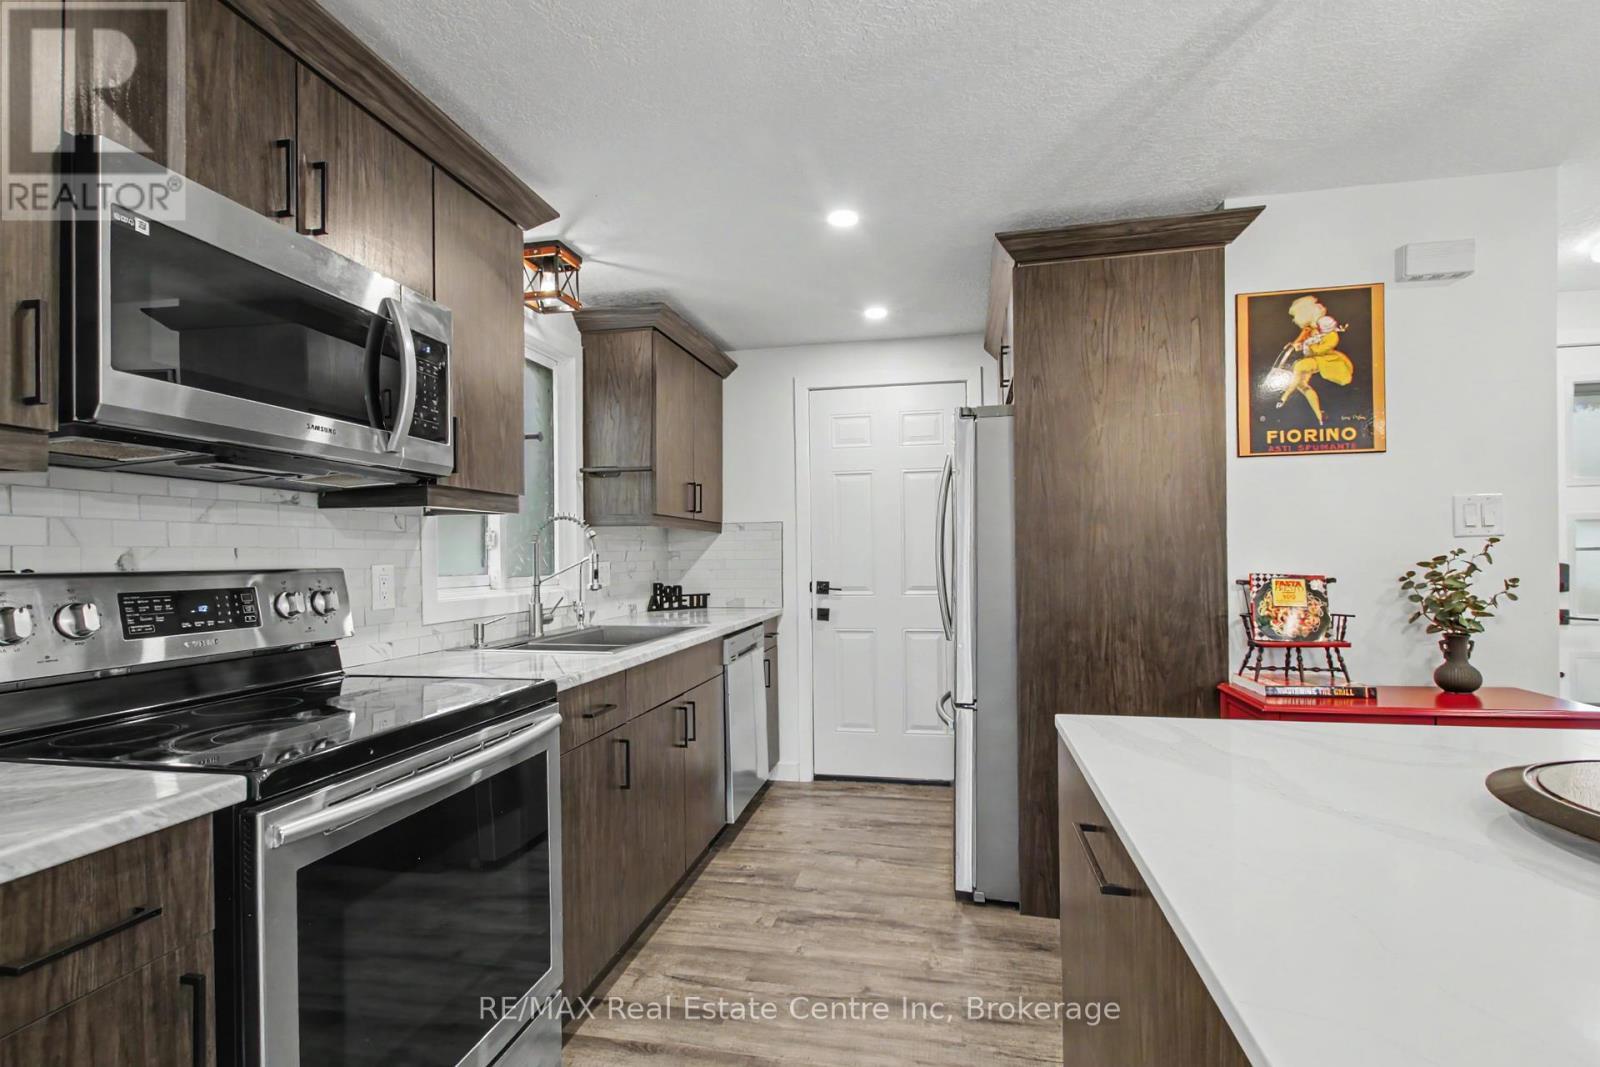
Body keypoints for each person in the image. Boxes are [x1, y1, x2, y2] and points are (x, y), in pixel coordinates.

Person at [1275, 297, 1353, 425]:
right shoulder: (1310, 328)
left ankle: (1284, 397)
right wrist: (1295, 344)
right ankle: (1319, 415)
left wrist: (1307, 345)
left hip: (1325, 360)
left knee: (1299, 367)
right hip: (1311, 357)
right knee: (1301, 384)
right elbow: (1300, 340)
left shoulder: (1332, 336)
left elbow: (1318, 350)